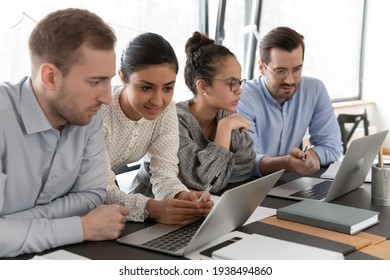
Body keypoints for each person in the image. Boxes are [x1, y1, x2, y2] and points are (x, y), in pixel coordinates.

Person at [0, 8, 130, 258]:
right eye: (95, 82)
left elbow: (92, 194)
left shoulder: (87, 112)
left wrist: (12, 224)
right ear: (50, 77)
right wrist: (80, 227)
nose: (106, 98)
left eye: (108, 81)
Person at [103, 32, 213, 225]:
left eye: (168, 88)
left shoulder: (167, 110)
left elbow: (164, 172)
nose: (158, 100)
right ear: (122, 77)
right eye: (146, 88)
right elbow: (100, 191)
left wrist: (180, 196)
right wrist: (150, 209)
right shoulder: (100, 112)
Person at [237, 26, 343, 177]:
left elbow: (332, 147)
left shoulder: (315, 90)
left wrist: (310, 157)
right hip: (251, 186)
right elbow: (247, 162)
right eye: (281, 71)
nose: (290, 80)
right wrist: (286, 163)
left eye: (297, 69)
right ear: (262, 67)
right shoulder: (242, 97)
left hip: (290, 181)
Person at [176, 31, 256, 193]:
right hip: (148, 212)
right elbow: (203, 182)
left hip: (201, 208)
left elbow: (246, 167)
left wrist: (216, 173)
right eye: (232, 83)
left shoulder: (225, 114)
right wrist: (225, 129)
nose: (239, 90)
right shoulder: (175, 121)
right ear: (203, 86)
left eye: (240, 82)